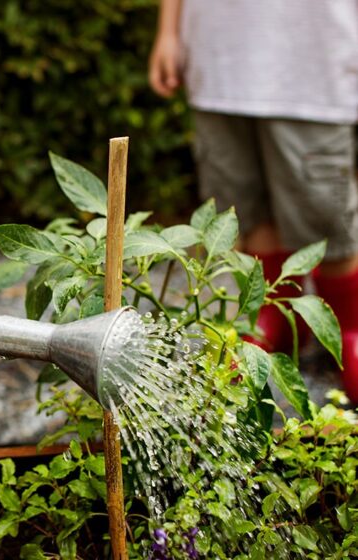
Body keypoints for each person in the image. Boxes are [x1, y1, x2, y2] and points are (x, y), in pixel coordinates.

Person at [148, 0, 358, 403]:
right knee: (245, 211)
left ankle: (348, 327)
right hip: (218, 59)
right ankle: (272, 317)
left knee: (326, 218)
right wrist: (169, 31)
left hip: (314, 61)